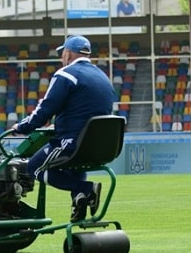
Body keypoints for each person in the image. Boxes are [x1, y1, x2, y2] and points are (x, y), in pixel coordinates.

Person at [10, 35, 116, 223]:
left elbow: (45, 110)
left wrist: (22, 127)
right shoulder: (103, 77)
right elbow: (85, 110)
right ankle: (79, 201)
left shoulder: (66, 74)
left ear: (68, 53)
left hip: (73, 143)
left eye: (62, 54)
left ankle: (86, 189)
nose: (61, 58)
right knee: (74, 165)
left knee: (34, 167)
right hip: (100, 146)